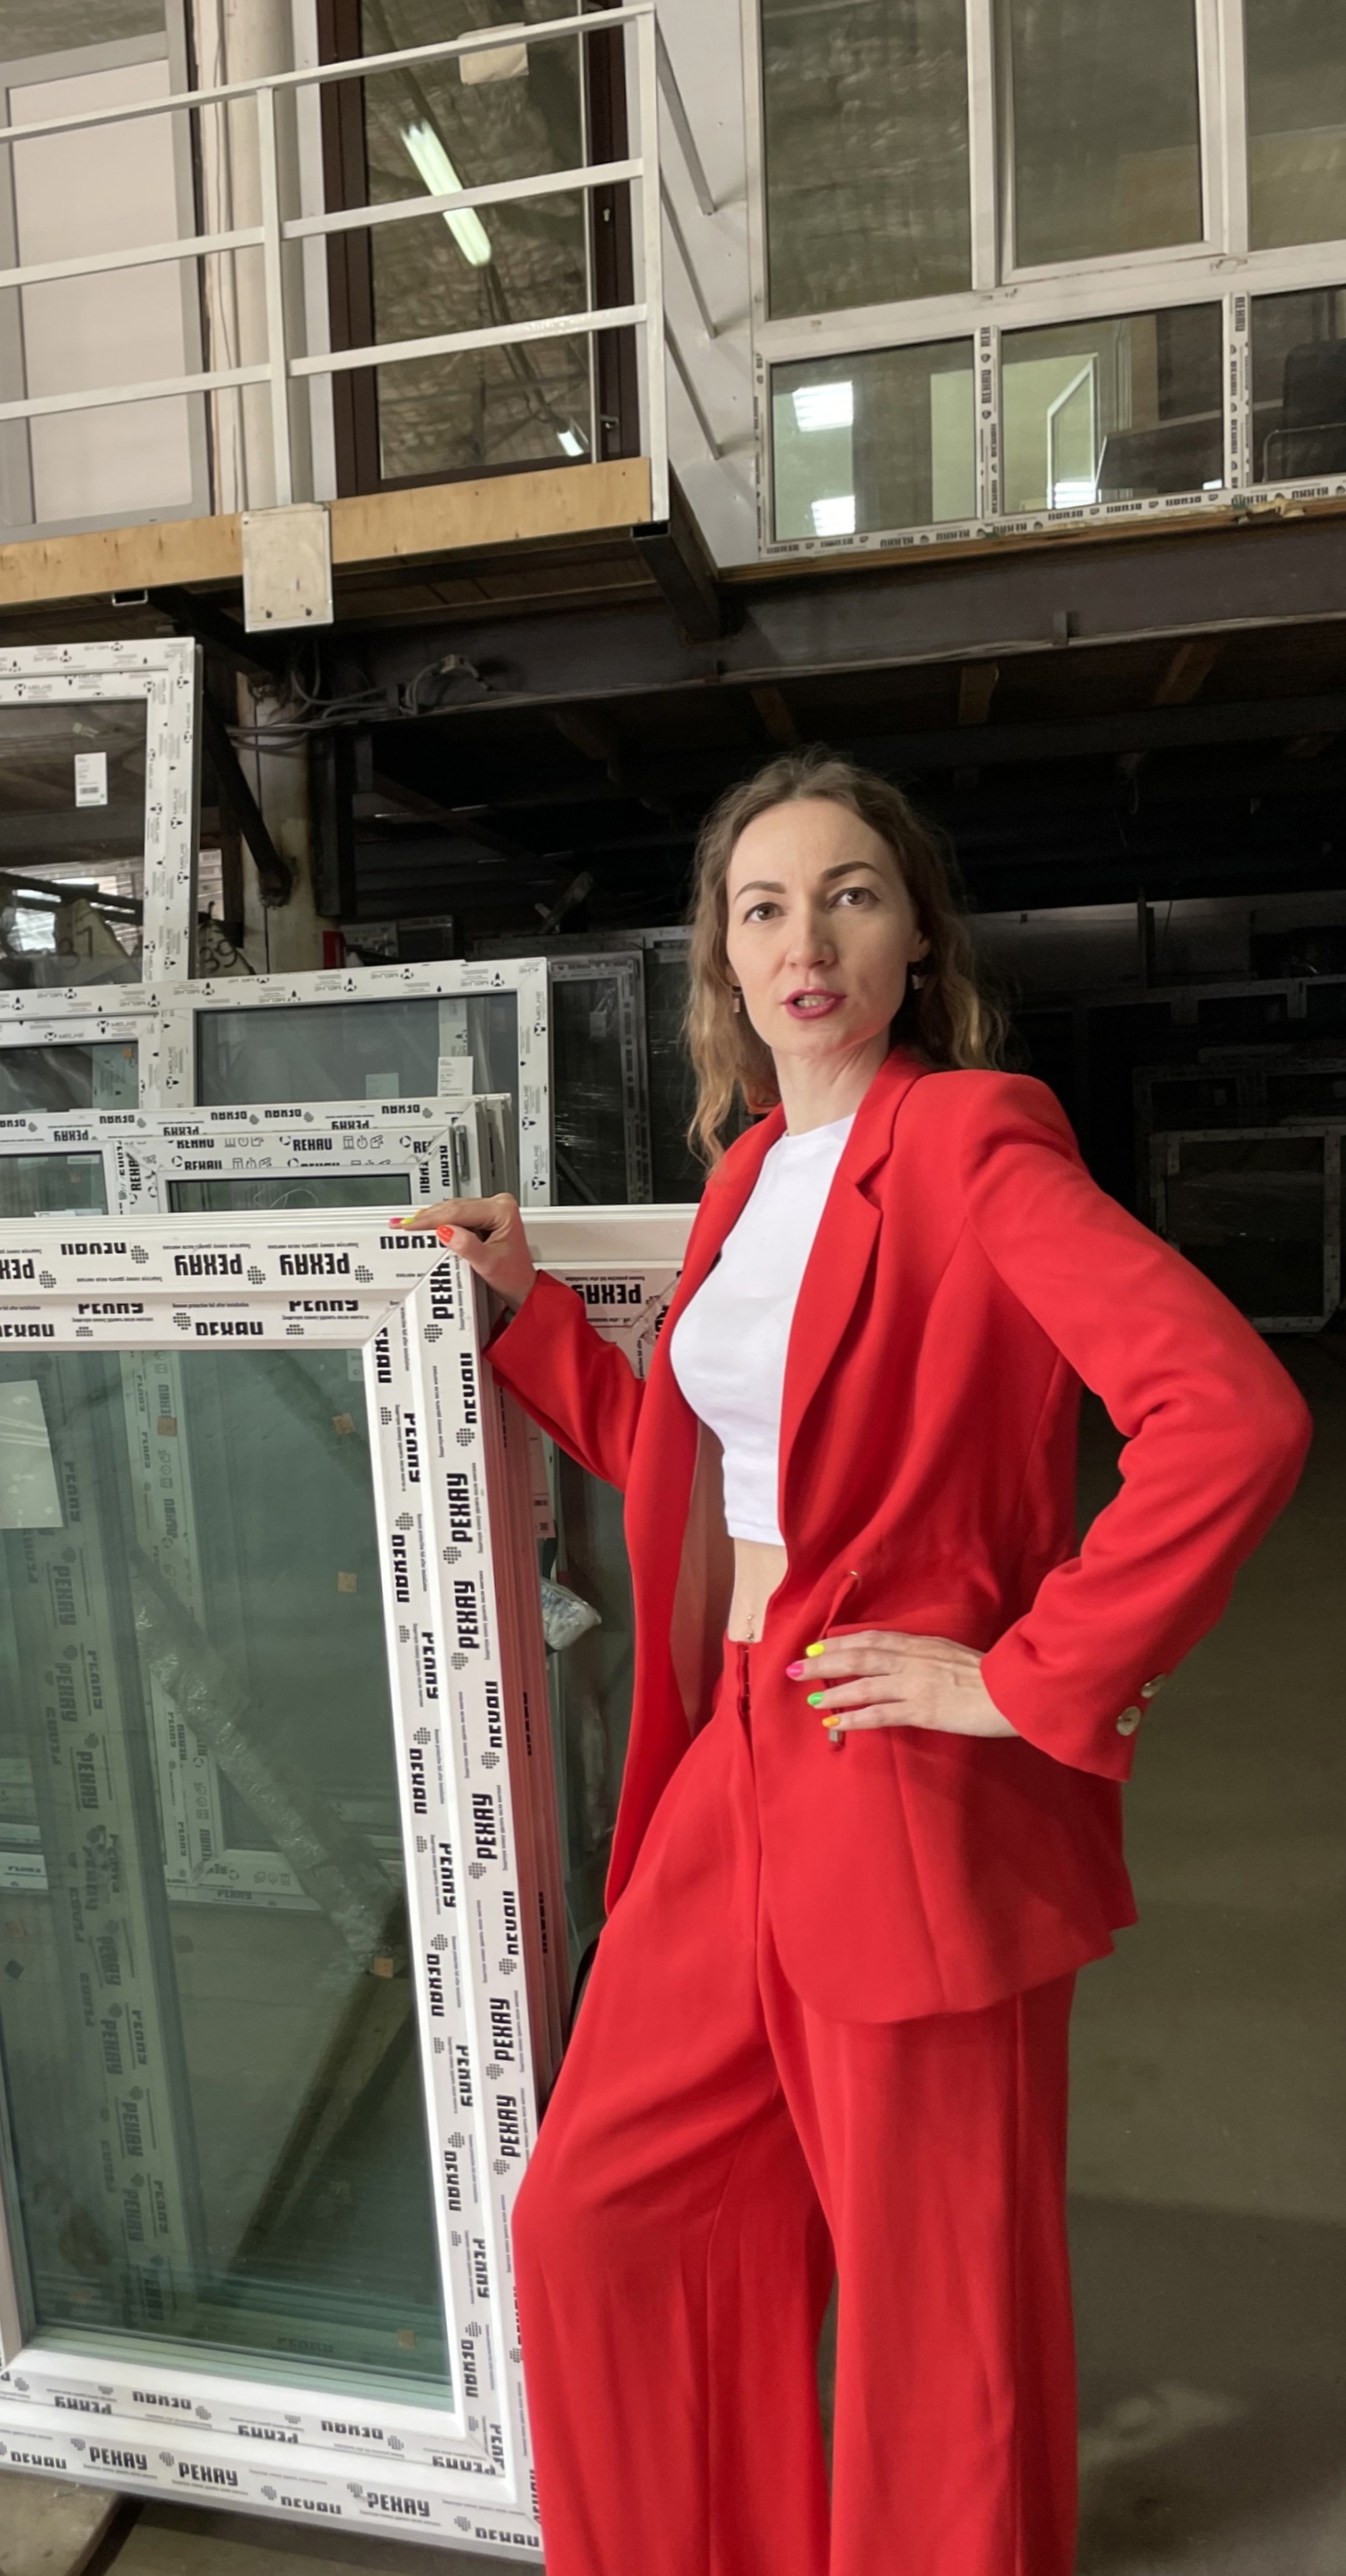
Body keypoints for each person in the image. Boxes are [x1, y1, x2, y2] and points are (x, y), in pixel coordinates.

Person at [401, 752, 1310, 2576]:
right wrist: (531, 1321)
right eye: (763, 908)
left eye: (849, 897)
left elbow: (1229, 1415)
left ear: (915, 947)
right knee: (600, 2216)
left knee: (936, 2310)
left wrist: (1024, 1677)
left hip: (899, 1777)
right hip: (734, 1758)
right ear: (723, 967)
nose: (804, 941)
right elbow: (712, 1462)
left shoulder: (972, 1147)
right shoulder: (749, 1174)